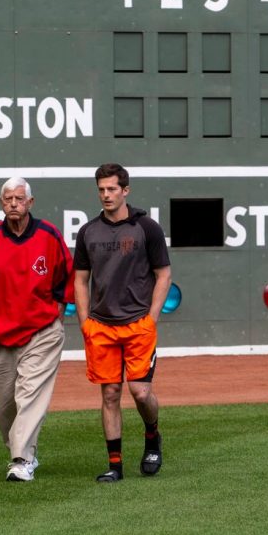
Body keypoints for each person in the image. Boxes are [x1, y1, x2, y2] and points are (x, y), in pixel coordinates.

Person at [0, 176, 73, 482]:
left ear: (30, 203)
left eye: (19, 199)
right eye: (7, 199)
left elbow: (66, 279)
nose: (13, 203)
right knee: (5, 405)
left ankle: (21, 459)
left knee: (29, 395)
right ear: (0, 203)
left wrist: (57, 316)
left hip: (41, 331)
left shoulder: (49, 235)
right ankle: (22, 451)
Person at [74, 163, 172, 483]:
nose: (106, 195)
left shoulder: (147, 228)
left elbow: (164, 275)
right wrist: (86, 322)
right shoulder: (88, 231)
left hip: (137, 325)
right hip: (101, 326)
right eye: (101, 189)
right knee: (111, 394)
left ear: (125, 190)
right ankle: (115, 465)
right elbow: (80, 279)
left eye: (112, 189)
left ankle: (152, 435)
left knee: (141, 393)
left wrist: (152, 318)